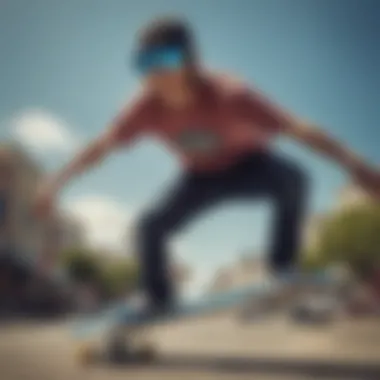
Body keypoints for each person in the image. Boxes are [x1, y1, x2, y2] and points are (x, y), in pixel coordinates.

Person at [35, 17, 380, 314]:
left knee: (295, 179)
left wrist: (353, 162)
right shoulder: (143, 107)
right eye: (145, 63)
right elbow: (100, 146)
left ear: (190, 60)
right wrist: (55, 181)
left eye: (166, 60)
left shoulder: (232, 93)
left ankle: (282, 266)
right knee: (149, 226)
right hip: (198, 177)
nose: (157, 74)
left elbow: (299, 128)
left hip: (250, 165)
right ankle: (157, 297)